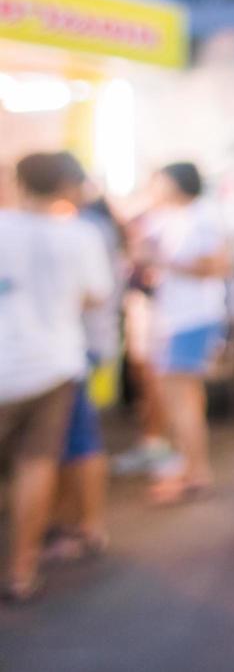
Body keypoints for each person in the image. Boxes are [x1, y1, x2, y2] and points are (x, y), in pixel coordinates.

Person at [0, 153, 113, 604]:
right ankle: (21, 569)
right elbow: (95, 295)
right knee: (37, 463)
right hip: (53, 364)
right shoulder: (81, 236)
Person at [138, 163, 230, 504]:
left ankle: (195, 470)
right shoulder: (171, 217)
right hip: (177, 317)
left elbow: (217, 265)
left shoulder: (201, 217)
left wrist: (162, 260)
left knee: (179, 395)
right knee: (182, 395)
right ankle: (190, 465)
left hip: (192, 317)